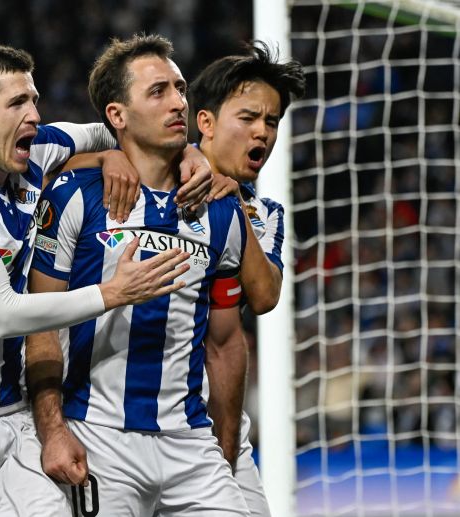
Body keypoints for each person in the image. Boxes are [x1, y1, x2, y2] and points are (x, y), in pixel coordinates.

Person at [0, 42, 194, 517]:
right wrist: (113, 293)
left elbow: (119, 128)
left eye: (34, 99)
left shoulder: (37, 149)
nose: (34, 114)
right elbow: (5, 315)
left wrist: (154, 154)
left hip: (14, 416)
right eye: (17, 103)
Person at [26, 34, 252, 516]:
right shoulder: (74, 196)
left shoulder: (220, 208)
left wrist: (226, 452)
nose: (179, 103)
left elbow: (225, 342)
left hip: (191, 443)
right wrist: (53, 430)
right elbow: (40, 327)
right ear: (117, 115)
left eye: (180, 89)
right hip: (99, 438)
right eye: (158, 92)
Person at [191, 42, 305, 516]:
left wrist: (234, 205)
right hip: (127, 415)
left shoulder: (263, 212)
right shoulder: (150, 179)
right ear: (206, 122)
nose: (263, 131)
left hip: (217, 416)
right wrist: (105, 158)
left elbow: (264, 296)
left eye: (272, 122)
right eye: (249, 117)